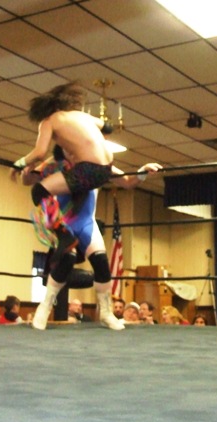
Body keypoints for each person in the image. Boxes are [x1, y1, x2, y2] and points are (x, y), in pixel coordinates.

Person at [16, 130, 161, 332]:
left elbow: (127, 182)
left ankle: (106, 312)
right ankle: (45, 307)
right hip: (63, 223)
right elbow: (28, 181)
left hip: (86, 223)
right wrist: (27, 170)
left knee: (101, 262)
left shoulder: (98, 164)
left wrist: (143, 172)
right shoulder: (54, 164)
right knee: (67, 259)